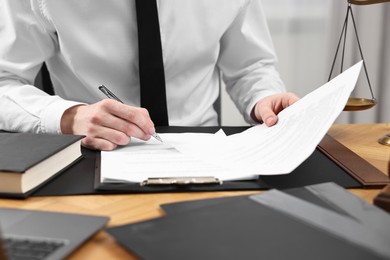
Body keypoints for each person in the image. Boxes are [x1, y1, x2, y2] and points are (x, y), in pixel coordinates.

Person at [0, 0, 299, 151]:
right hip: (92, 151)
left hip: (207, 150)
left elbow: (251, 65)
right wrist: (67, 116)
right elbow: (4, 80)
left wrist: (263, 98)